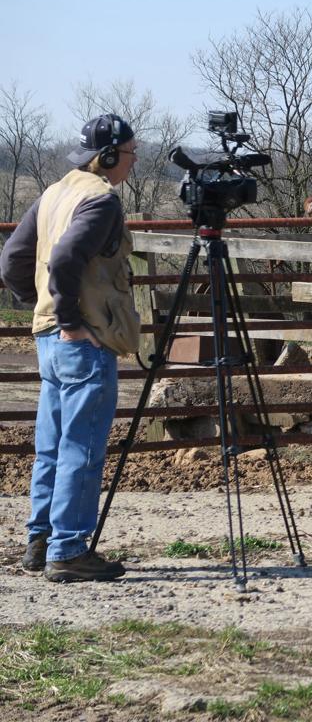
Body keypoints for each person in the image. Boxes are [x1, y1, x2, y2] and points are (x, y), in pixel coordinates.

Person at [0, 113, 141, 582]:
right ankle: (69, 551)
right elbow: (64, 258)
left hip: (49, 339)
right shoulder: (100, 200)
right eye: (129, 154)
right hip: (82, 338)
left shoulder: (54, 192)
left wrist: (40, 307)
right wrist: (71, 321)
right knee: (82, 445)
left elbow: (13, 261)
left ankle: (39, 542)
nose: (132, 163)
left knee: (52, 446)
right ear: (108, 155)